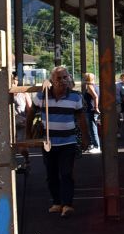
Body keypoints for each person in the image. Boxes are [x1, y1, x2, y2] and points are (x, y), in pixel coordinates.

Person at [26, 66, 89, 218]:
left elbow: (81, 118)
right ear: (52, 81)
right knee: (51, 173)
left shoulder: (75, 97)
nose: (62, 81)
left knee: (66, 173)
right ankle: (57, 202)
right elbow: (31, 114)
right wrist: (28, 134)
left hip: (68, 142)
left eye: (65, 77)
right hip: (48, 143)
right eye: (58, 78)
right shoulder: (42, 96)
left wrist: (86, 138)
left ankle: (67, 204)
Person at [82, 72, 100, 154]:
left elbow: (95, 96)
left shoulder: (89, 86)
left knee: (93, 129)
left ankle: (97, 146)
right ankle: (94, 145)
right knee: (92, 128)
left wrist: (96, 107)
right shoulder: (96, 86)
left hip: (91, 110)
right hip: (92, 109)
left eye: (84, 77)